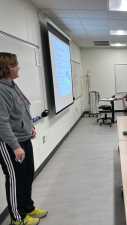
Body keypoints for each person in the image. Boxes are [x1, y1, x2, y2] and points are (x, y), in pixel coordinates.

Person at [0, 53, 48, 225]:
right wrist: (15, 146)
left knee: (27, 175)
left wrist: (30, 128)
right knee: (15, 179)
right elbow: (2, 123)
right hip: (10, 143)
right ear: (6, 68)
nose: (18, 67)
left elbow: (21, 111)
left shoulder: (12, 85)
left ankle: (28, 208)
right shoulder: (1, 90)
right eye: (15, 65)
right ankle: (17, 218)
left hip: (23, 138)